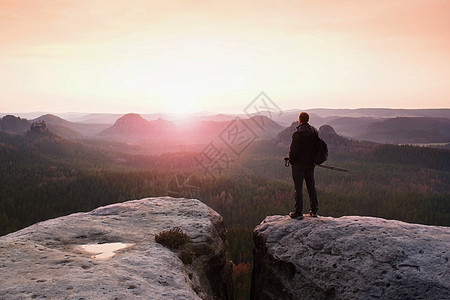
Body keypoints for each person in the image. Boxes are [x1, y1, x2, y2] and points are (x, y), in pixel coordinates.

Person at [288, 112, 320, 219]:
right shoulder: (314, 133)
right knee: (311, 186)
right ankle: (314, 210)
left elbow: (293, 150)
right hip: (310, 164)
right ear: (308, 120)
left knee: (298, 188)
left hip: (298, 165)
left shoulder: (297, 134)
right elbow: (317, 148)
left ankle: (298, 212)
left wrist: (292, 161)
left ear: (300, 120)